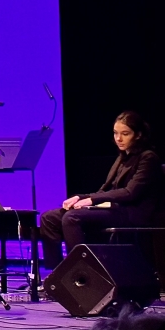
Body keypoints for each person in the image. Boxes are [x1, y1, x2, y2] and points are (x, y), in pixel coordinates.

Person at [40, 111, 163, 270]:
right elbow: (105, 190)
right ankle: (57, 273)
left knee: (72, 218)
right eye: (116, 133)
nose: (118, 138)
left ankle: (83, 271)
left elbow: (130, 192)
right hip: (115, 210)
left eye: (125, 134)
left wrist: (91, 200)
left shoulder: (148, 158)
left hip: (132, 214)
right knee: (49, 218)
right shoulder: (122, 157)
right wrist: (80, 197)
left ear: (138, 135)